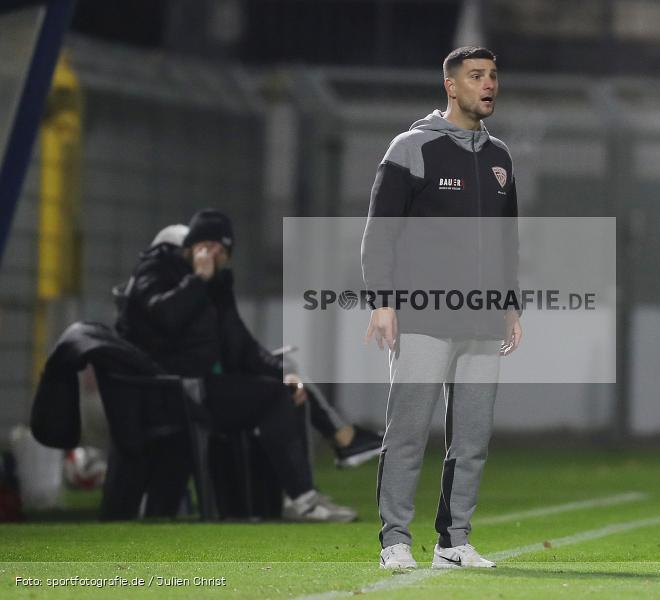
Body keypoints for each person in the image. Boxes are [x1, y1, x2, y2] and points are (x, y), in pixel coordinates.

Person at [362, 46, 522, 569]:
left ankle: (454, 542)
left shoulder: (500, 158)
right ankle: (395, 542)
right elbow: (379, 234)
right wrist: (382, 302)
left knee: (472, 439)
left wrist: (510, 305)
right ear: (451, 86)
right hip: (423, 318)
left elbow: (507, 240)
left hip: (481, 319)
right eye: (477, 76)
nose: (488, 84)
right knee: (407, 434)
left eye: (493, 76)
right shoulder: (411, 149)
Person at [116, 208, 357, 522]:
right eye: (207, 246)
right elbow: (164, 316)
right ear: (190, 246)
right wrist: (197, 281)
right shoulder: (157, 269)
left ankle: (299, 496)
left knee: (283, 389)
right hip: (171, 390)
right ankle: (303, 497)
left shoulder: (217, 286)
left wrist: (283, 374)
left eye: (222, 250)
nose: (214, 256)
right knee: (272, 397)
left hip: (201, 388)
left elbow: (242, 348)